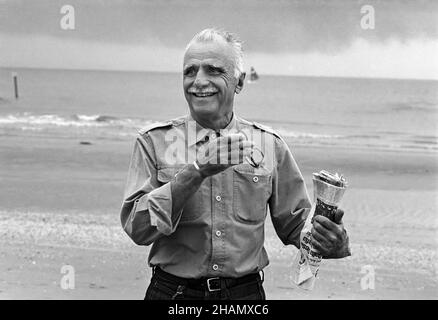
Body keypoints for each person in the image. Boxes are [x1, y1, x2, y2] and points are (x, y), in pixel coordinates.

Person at [120, 28, 351, 300]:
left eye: (214, 70)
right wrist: (196, 171)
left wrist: (331, 240)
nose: (199, 81)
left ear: (239, 82)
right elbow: (138, 229)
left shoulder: (269, 145)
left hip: (244, 296)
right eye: (190, 71)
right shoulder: (153, 141)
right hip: (173, 293)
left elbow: (296, 226)